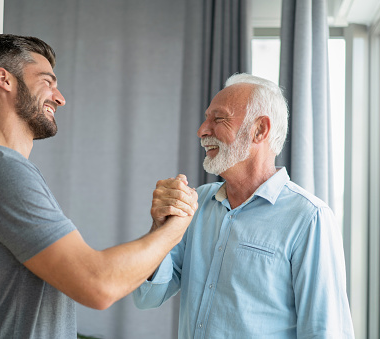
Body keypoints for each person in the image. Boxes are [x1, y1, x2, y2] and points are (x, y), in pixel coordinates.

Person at [0, 34, 198, 339]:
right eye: (47, 81)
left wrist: (159, 231)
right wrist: (176, 229)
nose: (59, 97)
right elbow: (98, 285)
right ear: (4, 80)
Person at [133, 73, 355, 338]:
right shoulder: (197, 202)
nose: (202, 130)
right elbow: (147, 297)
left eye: (218, 119)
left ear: (260, 129)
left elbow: (325, 331)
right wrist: (159, 228)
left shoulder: (309, 218)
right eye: (206, 119)